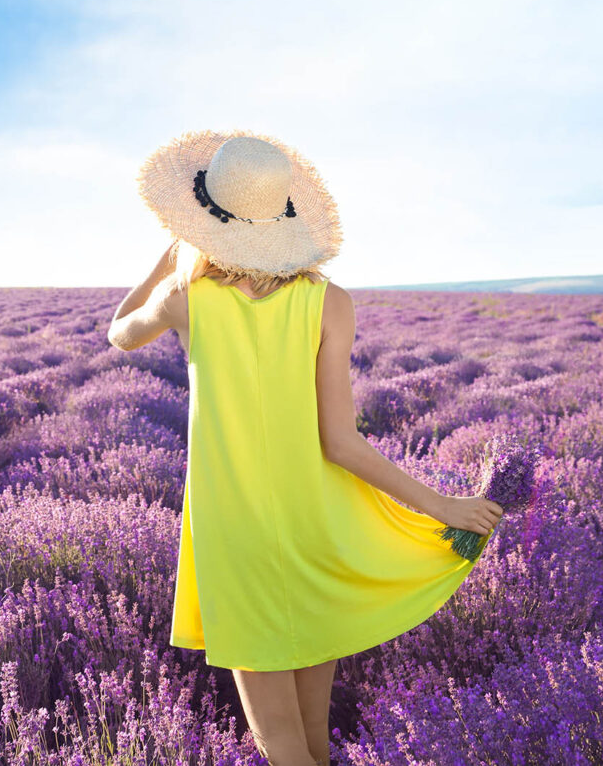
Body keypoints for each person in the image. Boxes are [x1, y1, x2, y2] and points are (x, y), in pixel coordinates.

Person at [107, 130, 504, 766]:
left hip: (234, 534)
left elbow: (117, 332)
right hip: (312, 523)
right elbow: (341, 443)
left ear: (203, 220)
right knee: (314, 739)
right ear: (285, 218)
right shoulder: (330, 304)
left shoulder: (183, 301)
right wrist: (441, 507)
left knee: (282, 744)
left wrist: (171, 254)